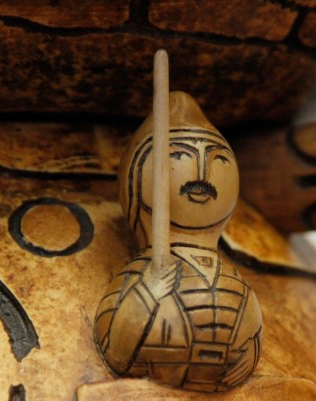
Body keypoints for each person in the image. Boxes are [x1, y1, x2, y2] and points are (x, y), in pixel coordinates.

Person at [95, 92, 262, 392]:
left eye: (218, 161)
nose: (202, 175)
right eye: (178, 158)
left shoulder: (233, 280)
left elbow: (250, 329)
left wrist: (248, 356)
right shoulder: (141, 274)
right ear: (137, 180)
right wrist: (147, 293)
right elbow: (116, 349)